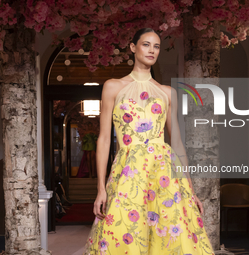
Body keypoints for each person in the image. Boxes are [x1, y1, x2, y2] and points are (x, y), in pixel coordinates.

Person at [82, 27, 215, 255]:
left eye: (156, 46)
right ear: (133, 48)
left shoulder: (167, 92)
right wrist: (100, 188)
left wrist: (190, 189)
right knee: (124, 233)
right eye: (146, 44)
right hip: (128, 173)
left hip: (164, 172)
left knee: (169, 234)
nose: (152, 50)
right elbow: (104, 139)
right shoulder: (113, 86)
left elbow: (178, 143)